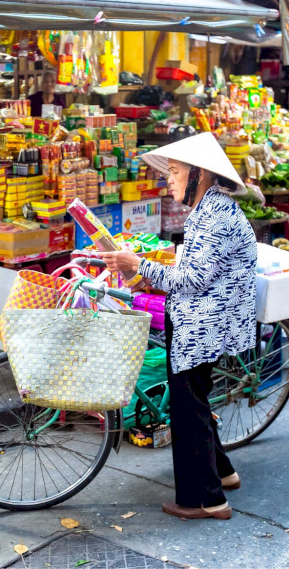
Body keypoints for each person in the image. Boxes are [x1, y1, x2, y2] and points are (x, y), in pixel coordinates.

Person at [98, 132, 256, 521]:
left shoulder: (215, 215)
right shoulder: (210, 209)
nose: (168, 179)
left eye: (175, 171)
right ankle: (223, 473)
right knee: (195, 402)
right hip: (203, 321)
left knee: (189, 410)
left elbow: (192, 280)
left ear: (199, 174)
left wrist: (137, 265)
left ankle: (206, 500)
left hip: (203, 325)